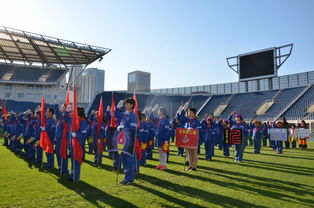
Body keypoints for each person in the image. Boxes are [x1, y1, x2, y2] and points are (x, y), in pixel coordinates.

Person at [115, 98, 138, 185]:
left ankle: (130, 179)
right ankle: (126, 178)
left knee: (129, 161)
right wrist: (117, 107)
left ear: (131, 105)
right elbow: (116, 115)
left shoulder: (133, 116)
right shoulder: (125, 115)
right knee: (124, 160)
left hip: (130, 141)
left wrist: (123, 128)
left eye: (127, 104)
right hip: (123, 140)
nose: (125, 105)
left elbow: (133, 129)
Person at [177, 104, 201, 171]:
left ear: (194, 113)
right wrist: (183, 110)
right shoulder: (187, 120)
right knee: (189, 153)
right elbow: (181, 116)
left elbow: (199, 130)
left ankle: (194, 166)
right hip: (188, 139)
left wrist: (192, 130)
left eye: (190, 112)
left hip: (194, 139)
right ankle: (190, 165)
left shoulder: (196, 121)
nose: (188, 113)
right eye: (188, 112)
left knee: (194, 153)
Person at [69, 107, 89, 182]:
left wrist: (76, 135)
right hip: (73, 143)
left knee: (76, 161)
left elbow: (84, 134)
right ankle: (72, 175)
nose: (73, 113)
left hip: (78, 144)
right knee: (73, 161)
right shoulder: (75, 120)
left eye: (74, 111)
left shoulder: (82, 121)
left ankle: (76, 177)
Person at [149, 105, 171, 171]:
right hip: (158, 138)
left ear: (162, 112)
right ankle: (161, 164)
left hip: (164, 139)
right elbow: (151, 117)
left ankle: (164, 165)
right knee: (159, 152)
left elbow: (167, 131)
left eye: (159, 110)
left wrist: (166, 140)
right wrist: (152, 110)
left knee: (163, 152)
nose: (158, 111)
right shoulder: (158, 119)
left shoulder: (166, 120)